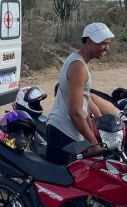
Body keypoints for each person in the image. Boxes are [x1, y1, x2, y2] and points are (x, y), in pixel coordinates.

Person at [46, 22, 114, 165]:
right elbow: (75, 113)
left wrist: (91, 133)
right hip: (63, 131)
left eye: (108, 43)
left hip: (66, 131)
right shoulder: (78, 67)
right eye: (103, 43)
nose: (107, 47)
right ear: (89, 41)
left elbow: (83, 106)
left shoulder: (78, 60)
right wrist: (93, 142)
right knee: (61, 184)